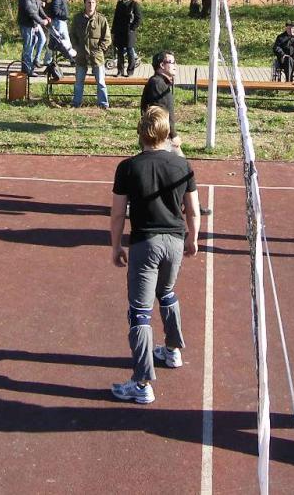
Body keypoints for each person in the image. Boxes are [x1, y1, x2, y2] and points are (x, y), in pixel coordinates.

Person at [109, 106, 200, 404]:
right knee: (167, 293)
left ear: (141, 133)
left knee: (139, 311)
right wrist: (193, 238)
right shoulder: (182, 165)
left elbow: (118, 214)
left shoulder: (128, 167)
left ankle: (141, 384)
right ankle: (172, 351)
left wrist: (116, 246)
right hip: (174, 242)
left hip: (145, 244)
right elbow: (193, 210)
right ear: (166, 133)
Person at [71, 0, 111, 109]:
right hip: (81, 55)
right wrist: (76, 48)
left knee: (101, 82)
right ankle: (76, 103)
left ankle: (103, 104)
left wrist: (100, 50)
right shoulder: (77, 18)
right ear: (85, 4)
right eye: (88, 2)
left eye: (93, 2)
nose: (91, 5)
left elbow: (107, 38)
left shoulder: (101, 19)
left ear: (96, 4)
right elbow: (72, 35)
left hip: (96, 56)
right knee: (79, 82)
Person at [140, 50, 180, 151]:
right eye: (172, 62)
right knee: (177, 160)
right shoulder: (157, 84)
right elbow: (162, 113)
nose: (175, 66)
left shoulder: (160, 82)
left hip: (160, 136)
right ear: (162, 65)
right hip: (158, 138)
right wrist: (173, 135)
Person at [16, 0, 51, 76]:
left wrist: (45, 17)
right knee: (28, 47)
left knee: (41, 39)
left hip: (34, 23)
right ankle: (27, 69)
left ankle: (35, 60)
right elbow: (30, 11)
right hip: (26, 24)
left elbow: (39, 8)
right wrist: (41, 21)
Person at [111, 0, 142, 77]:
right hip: (119, 31)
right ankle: (120, 71)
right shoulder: (119, 4)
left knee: (130, 51)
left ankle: (130, 71)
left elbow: (138, 18)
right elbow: (115, 18)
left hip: (129, 32)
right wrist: (113, 31)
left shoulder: (134, 4)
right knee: (119, 52)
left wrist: (132, 28)